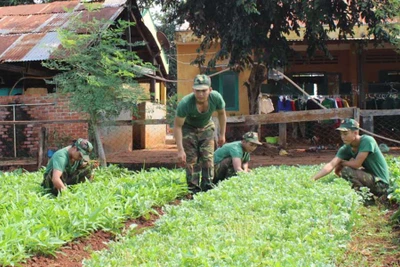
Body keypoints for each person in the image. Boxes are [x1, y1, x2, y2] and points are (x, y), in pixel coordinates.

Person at [174, 74, 227, 193]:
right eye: (197, 91)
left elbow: (222, 114)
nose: (201, 94)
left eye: (204, 90)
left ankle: (207, 189)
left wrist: (222, 134)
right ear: (193, 90)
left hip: (207, 127)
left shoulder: (216, 98)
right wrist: (180, 150)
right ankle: (193, 191)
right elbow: (177, 126)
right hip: (188, 128)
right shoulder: (186, 103)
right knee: (191, 161)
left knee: (208, 159)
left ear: (210, 90)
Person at [312, 118, 389, 198]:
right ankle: (364, 196)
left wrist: (342, 163)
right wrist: (313, 179)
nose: (342, 137)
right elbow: (331, 164)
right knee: (345, 170)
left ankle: (365, 199)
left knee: (346, 170)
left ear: (355, 133)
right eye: (341, 134)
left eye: (345, 134)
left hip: (381, 184)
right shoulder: (346, 148)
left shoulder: (367, 141)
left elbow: (356, 164)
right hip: (370, 178)